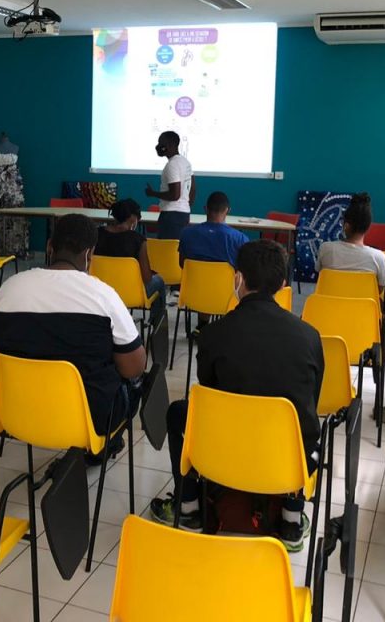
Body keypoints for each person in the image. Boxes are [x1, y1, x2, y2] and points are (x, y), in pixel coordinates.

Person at [149, 240, 324, 549]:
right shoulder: (309, 336)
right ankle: (291, 518)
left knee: (178, 412)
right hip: (286, 455)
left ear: (238, 278)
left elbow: (209, 391)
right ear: (282, 284)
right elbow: (313, 397)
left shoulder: (214, 334)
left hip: (224, 452)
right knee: (304, 423)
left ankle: (188, 507)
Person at [0, 214, 146, 459]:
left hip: (16, 411)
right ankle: (99, 450)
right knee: (136, 380)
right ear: (89, 253)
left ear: (50, 246)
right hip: (87, 418)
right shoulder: (103, 295)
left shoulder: (10, 288)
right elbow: (133, 368)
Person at [95, 198, 166, 328]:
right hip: (130, 293)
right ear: (133, 219)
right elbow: (147, 278)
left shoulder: (96, 234)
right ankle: (156, 329)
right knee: (159, 281)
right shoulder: (138, 240)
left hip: (100, 291)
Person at [316, 192, 385, 291]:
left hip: (329, 300)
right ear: (368, 227)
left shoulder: (325, 248)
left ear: (346, 225)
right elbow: (379, 289)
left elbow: (320, 274)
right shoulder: (379, 257)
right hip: (363, 301)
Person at [178, 191, 249, 267]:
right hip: (224, 275)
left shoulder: (186, 233)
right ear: (228, 210)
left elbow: (182, 264)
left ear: (205, 209)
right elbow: (244, 268)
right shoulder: (241, 239)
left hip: (193, 275)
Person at [146, 131, 195, 240]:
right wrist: (185, 206)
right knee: (177, 248)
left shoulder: (172, 165)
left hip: (171, 216)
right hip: (183, 214)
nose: (158, 146)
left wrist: (153, 193)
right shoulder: (185, 162)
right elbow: (193, 188)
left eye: (161, 143)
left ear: (171, 145)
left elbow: (175, 195)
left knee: (166, 248)